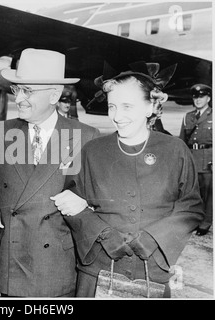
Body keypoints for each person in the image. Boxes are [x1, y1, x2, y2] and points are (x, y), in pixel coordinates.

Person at [51, 62, 204, 298]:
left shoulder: (175, 150)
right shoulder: (93, 150)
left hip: (153, 270)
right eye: (112, 106)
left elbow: (191, 206)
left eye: (127, 106)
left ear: (150, 107)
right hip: (97, 271)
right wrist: (103, 234)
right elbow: (70, 201)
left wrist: (154, 238)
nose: (117, 116)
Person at [0, 48, 100, 297]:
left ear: (54, 95)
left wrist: (86, 202)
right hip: (12, 264)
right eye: (16, 89)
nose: (19, 98)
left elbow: (101, 199)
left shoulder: (85, 136)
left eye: (28, 91)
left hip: (57, 269)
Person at [179, 84, 212, 236]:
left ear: (208, 98)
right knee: (193, 193)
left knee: (208, 194)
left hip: (208, 160)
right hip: (192, 158)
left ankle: (205, 223)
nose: (198, 100)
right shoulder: (188, 117)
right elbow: (182, 141)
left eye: (202, 97)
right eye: (195, 97)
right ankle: (194, 220)